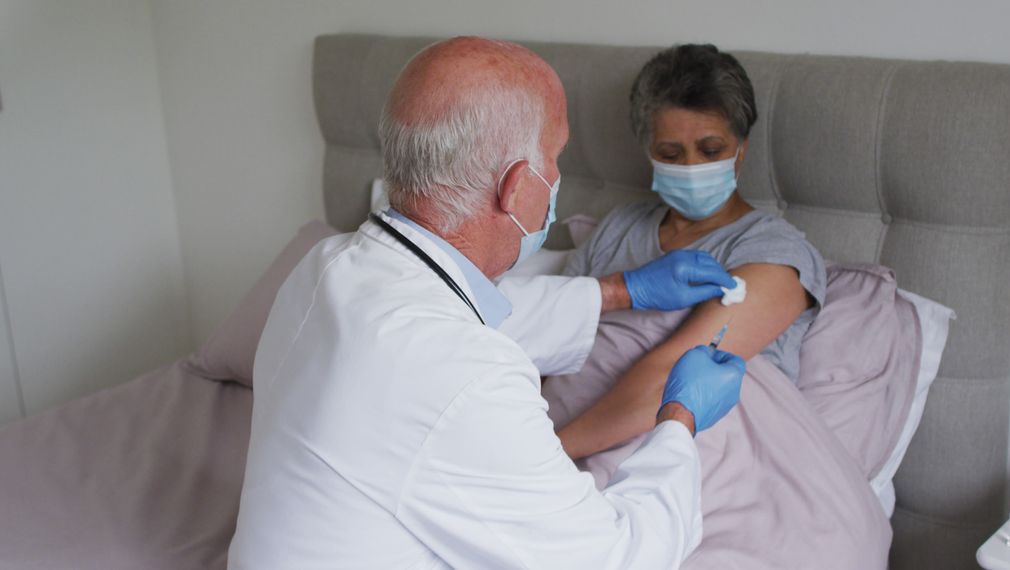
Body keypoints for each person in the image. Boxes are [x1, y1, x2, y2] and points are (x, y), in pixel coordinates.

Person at [228, 37, 746, 569]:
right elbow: (617, 560)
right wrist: (679, 419)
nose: (559, 177)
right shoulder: (464, 381)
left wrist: (618, 291)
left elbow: (451, 319)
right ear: (518, 188)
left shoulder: (326, 267)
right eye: (558, 156)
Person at [555, 44, 827, 460]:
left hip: (660, 447)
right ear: (650, 153)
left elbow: (673, 378)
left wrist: (548, 458)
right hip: (543, 434)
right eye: (671, 154)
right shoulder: (619, 227)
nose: (692, 166)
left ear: (741, 151)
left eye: (711, 150)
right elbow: (548, 342)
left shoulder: (774, 250)